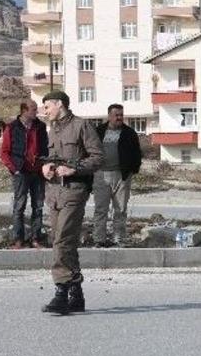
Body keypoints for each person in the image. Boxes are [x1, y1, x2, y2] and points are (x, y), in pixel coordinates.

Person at [40, 91, 103, 315]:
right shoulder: (53, 129)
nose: (45, 111)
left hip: (74, 191)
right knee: (65, 242)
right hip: (55, 192)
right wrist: (46, 167)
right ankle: (76, 295)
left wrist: (74, 168)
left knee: (62, 241)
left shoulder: (81, 126)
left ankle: (61, 291)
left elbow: (98, 157)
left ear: (59, 104)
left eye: (47, 106)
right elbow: (53, 158)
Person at [0, 99, 49, 249]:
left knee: (38, 206)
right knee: (19, 206)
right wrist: (14, 169)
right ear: (24, 111)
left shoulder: (40, 126)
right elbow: (4, 152)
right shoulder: (12, 127)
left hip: (38, 172)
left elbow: (45, 149)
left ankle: (36, 239)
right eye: (33, 109)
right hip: (20, 172)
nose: (36, 112)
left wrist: (44, 165)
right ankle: (18, 240)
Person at [93, 104, 142, 247]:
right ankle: (99, 239)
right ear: (109, 116)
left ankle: (118, 238)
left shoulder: (129, 133)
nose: (119, 118)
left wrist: (132, 170)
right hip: (101, 175)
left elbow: (137, 154)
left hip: (122, 176)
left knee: (120, 210)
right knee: (101, 209)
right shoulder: (98, 131)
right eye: (116, 115)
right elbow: (89, 150)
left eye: (121, 115)